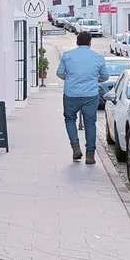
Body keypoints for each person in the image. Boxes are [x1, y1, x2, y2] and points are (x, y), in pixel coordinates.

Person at [56, 30, 109, 164]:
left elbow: (60, 73)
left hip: (71, 94)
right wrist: (93, 79)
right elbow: (105, 77)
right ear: (90, 43)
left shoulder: (68, 56)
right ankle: (90, 155)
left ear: (77, 42)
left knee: (69, 119)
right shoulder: (98, 57)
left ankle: (75, 148)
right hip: (90, 95)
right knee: (90, 123)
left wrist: (71, 79)